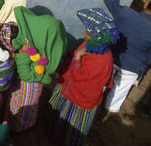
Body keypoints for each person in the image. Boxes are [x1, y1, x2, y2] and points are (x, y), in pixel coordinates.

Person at [46, 8, 119, 146]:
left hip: (80, 98)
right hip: (71, 91)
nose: (84, 34)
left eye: (89, 33)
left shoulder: (101, 60)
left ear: (98, 38)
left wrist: (77, 56)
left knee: (69, 129)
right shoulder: (91, 45)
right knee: (56, 121)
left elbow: (79, 78)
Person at [4, 6, 67, 133]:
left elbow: (26, 75)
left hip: (26, 89)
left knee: (20, 112)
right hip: (33, 88)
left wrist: (22, 55)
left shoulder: (28, 52)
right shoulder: (46, 54)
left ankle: (17, 131)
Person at [103, 0, 151, 113]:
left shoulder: (127, 13)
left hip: (111, 56)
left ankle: (94, 102)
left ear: (146, 4)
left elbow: (110, 0)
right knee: (119, 92)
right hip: (132, 67)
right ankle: (108, 110)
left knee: (101, 82)